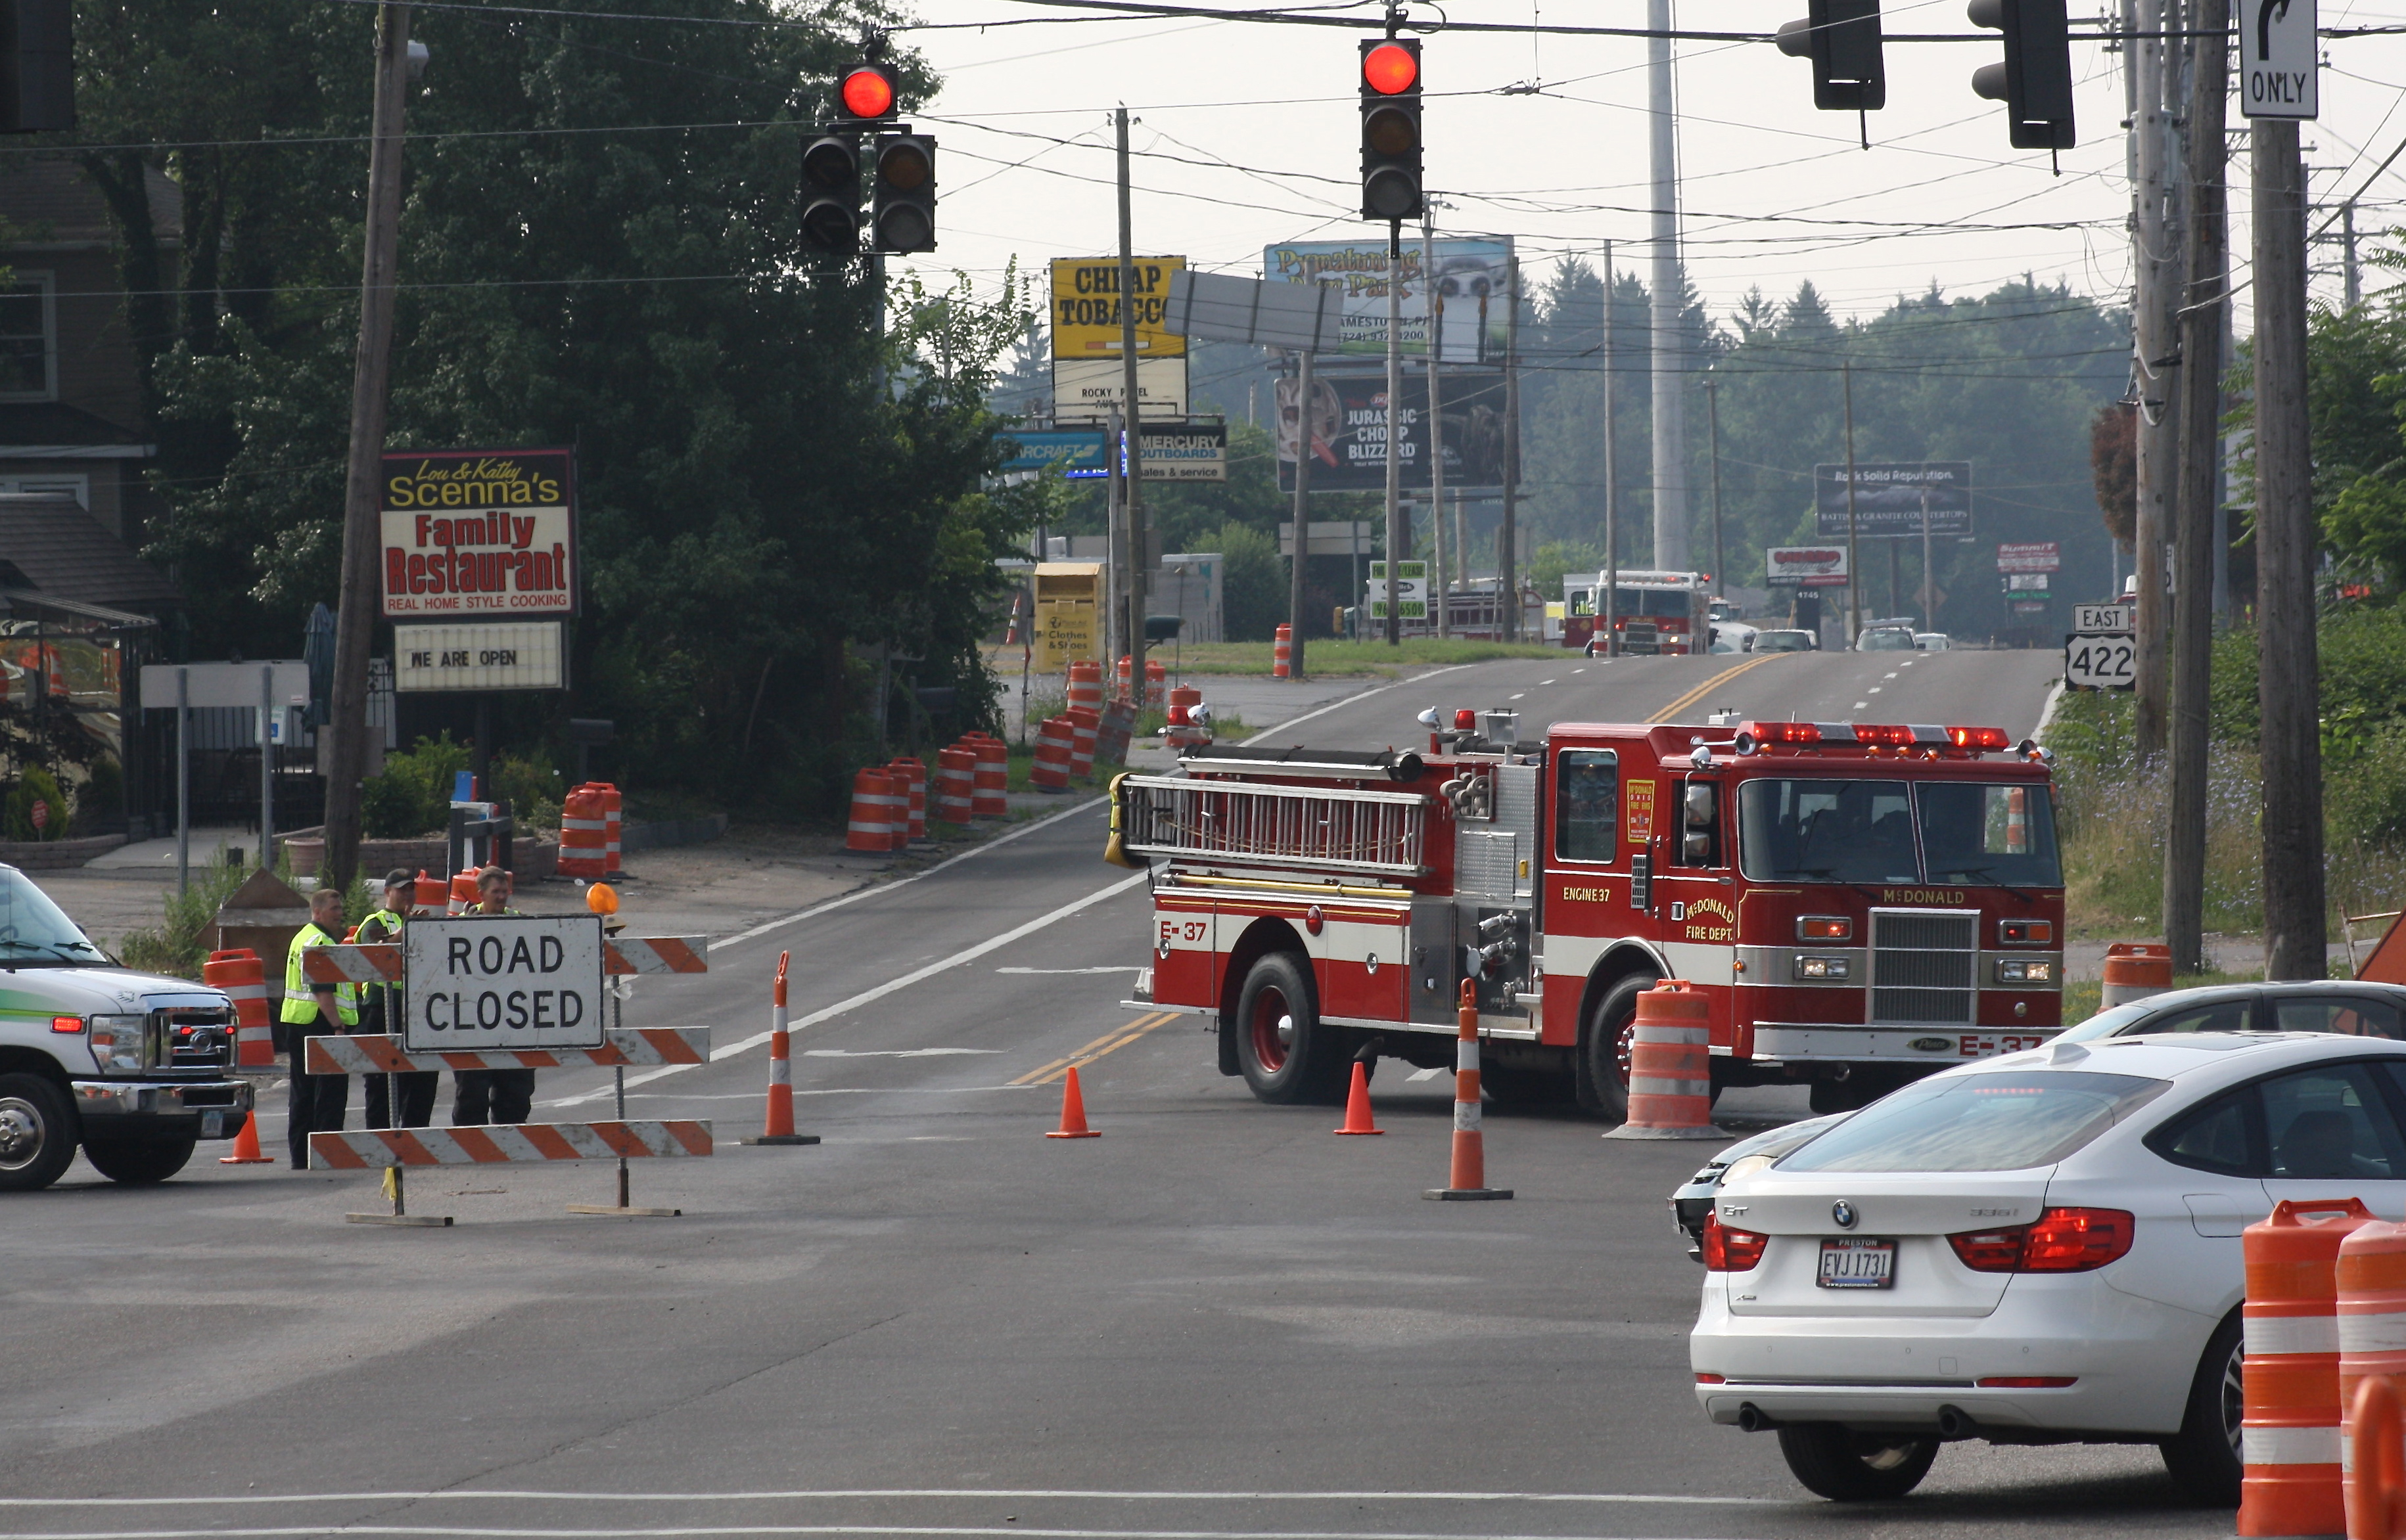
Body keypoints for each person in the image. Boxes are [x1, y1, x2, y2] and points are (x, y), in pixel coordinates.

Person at [451, 866, 536, 1127]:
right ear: (481, 895)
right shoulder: (460, 928)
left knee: (516, 1090)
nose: (502, 897)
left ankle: (511, 1140)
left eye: (505, 891)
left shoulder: (521, 921)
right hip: (472, 1022)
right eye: (495, 892)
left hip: (514, 1020)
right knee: (472, 1090)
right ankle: (470, 1144)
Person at [279, 887, 358, 1169]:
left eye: (340, 908)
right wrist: (338, 1026)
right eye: (334, 909)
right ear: (317, 911)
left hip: (298, 1022)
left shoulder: (303, 937)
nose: (340, 914)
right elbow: (323, 991)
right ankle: (326, 1155)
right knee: (329, 1094)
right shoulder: (319, 941)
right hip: (318, 1022)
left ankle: (302, 1157)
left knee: (303, 1093)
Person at [358, 869, 437, 1129]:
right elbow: (376, 953)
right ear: (387, 892)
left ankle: (416, 1135)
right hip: (382, 1006)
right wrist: (407, 928)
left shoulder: (418, 921)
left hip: (416, 1007)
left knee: (422, 1078)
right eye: (402, 889)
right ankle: (379, 1138)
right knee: (382, 1080)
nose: (408, 894)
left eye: (411, 889)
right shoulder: (375, 921)